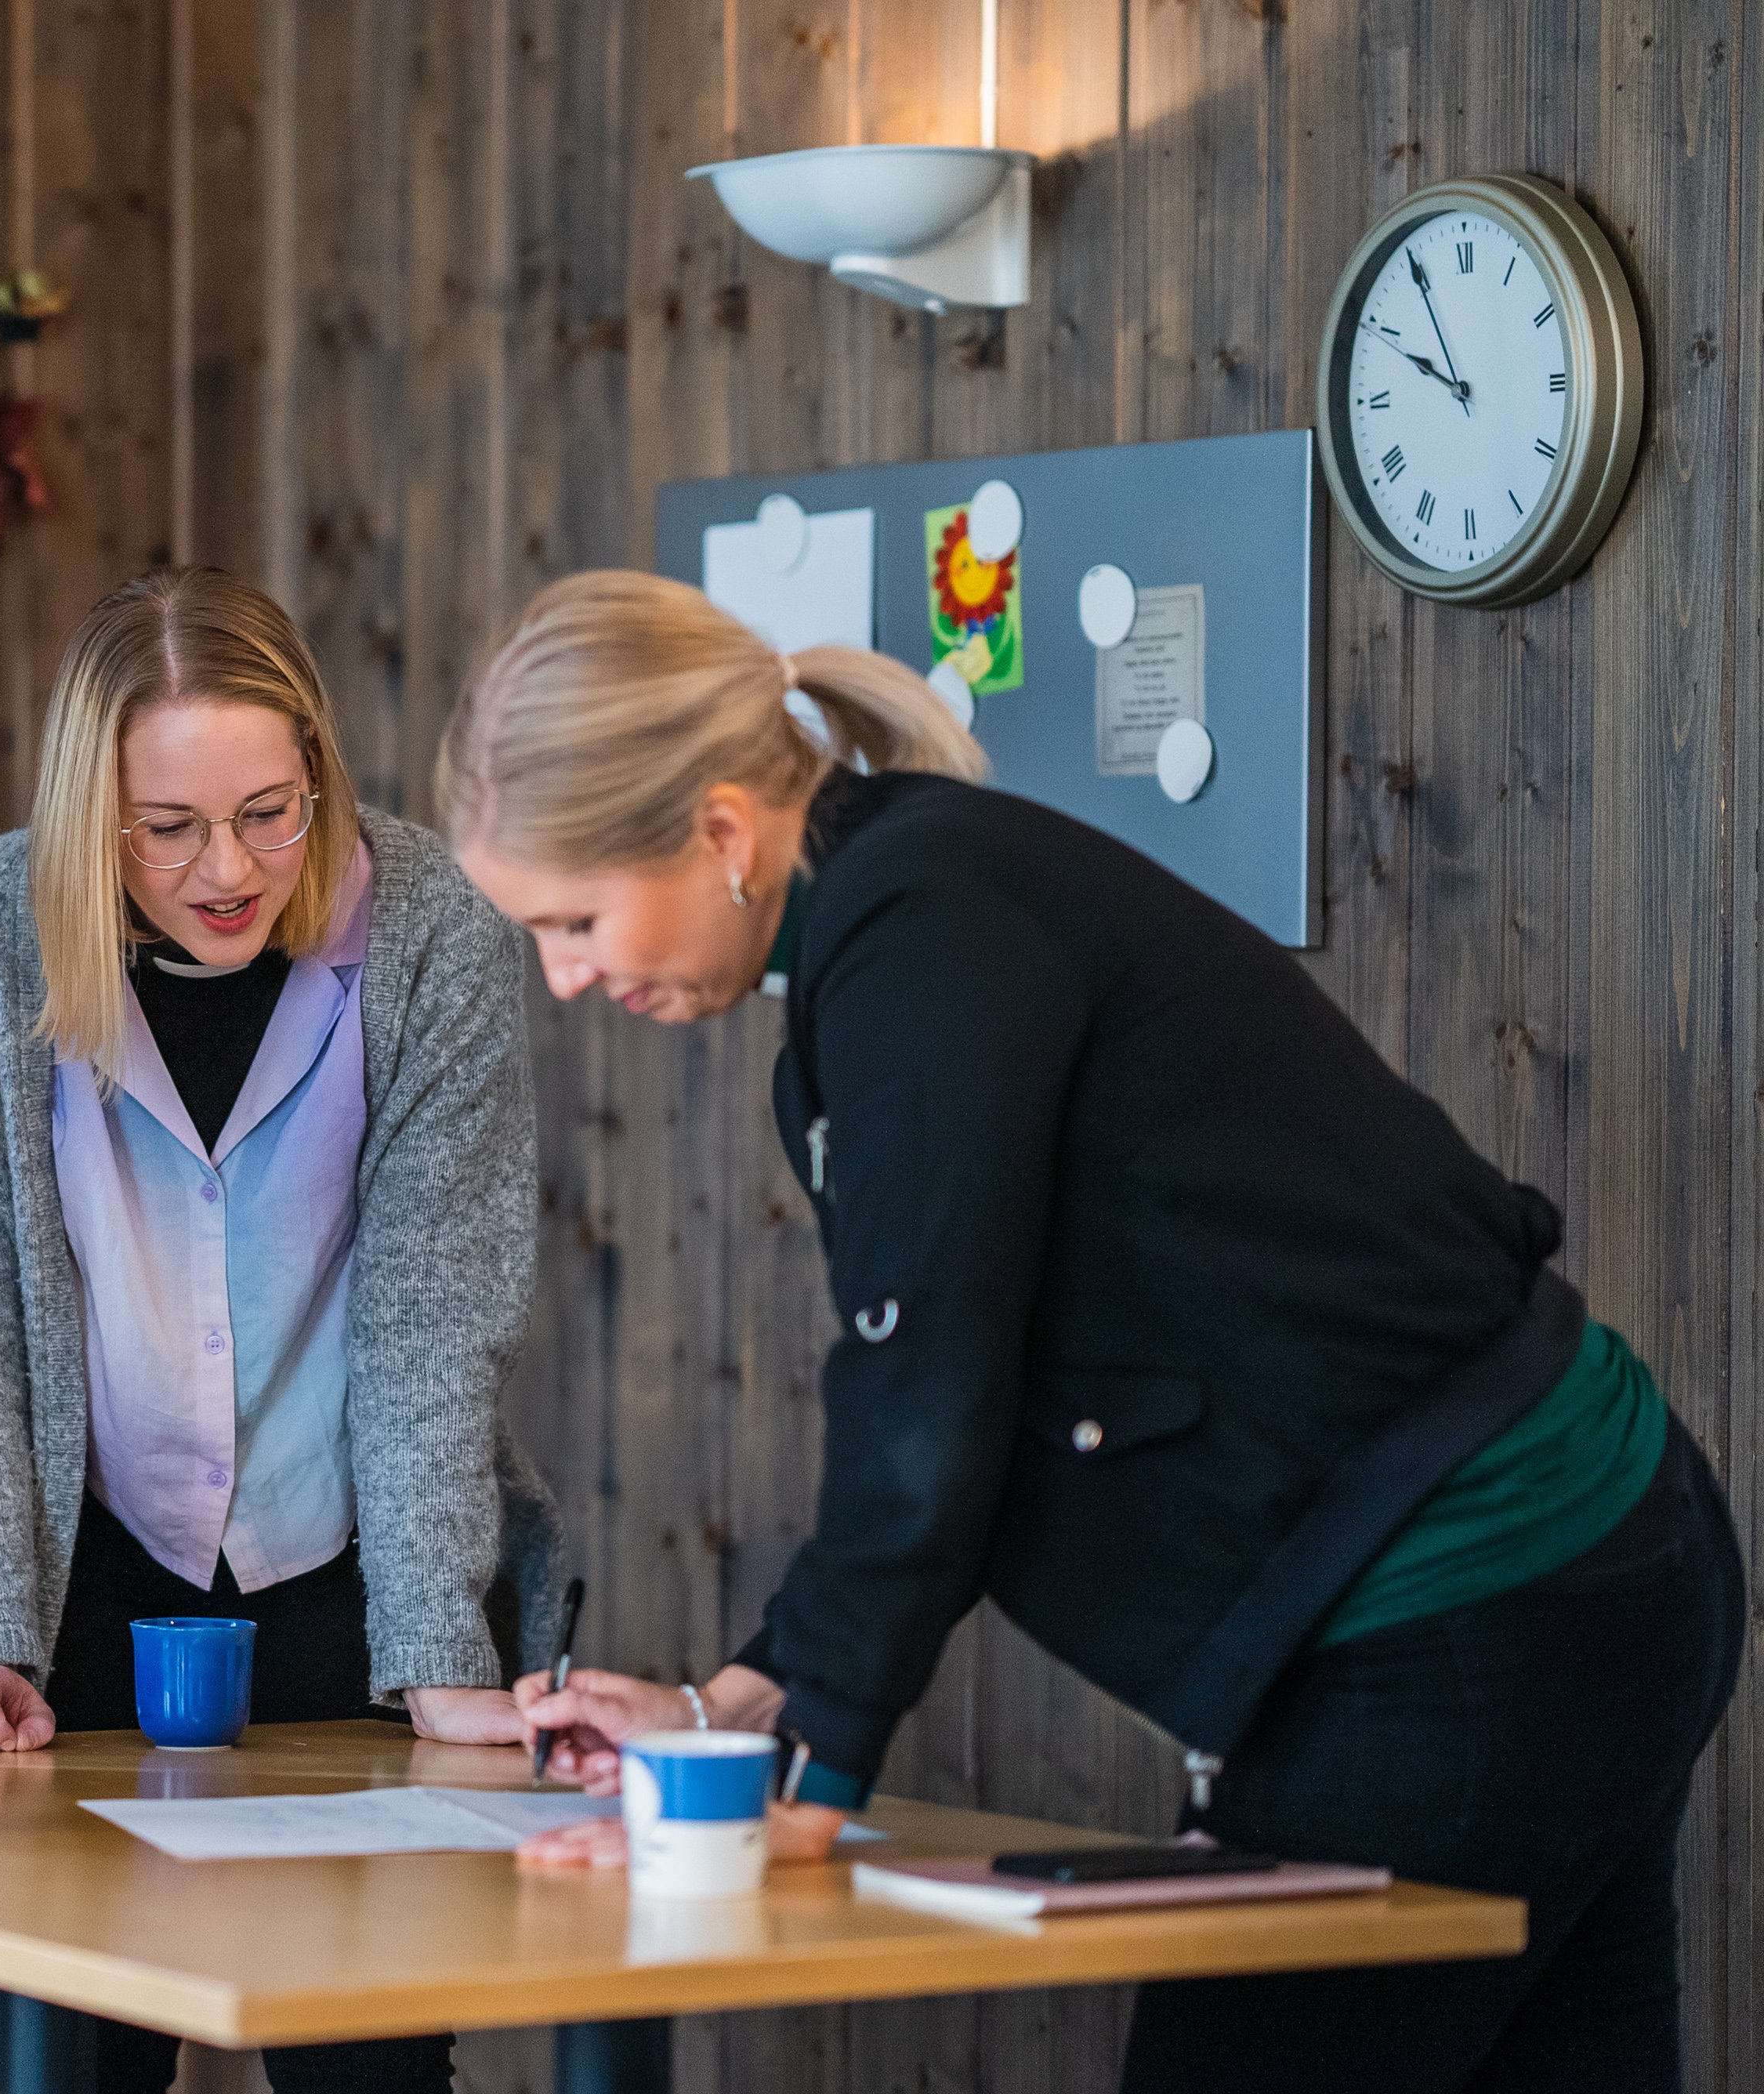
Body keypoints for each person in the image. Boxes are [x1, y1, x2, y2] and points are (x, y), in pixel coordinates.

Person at [444, 571, 1745, 2093]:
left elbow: (925, 1389)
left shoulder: (916, 925)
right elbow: (957, 1367)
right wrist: (737, 1699)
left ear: (721, 832)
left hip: (1462, 1601)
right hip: (1588, 1568)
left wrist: (813, 1785)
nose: (565, 975)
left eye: (572, 918)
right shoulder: (903, 918)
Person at [0, 568, 567, 2093]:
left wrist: (440, 1642)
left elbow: (434, 1318)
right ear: (84, 813)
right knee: (67, 2056)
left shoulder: (428, 928)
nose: (226, 868)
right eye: (164, 826)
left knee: (369, 2063)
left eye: (268, 809)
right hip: (75, 1583)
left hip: (348, 1579)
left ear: (317, 770)